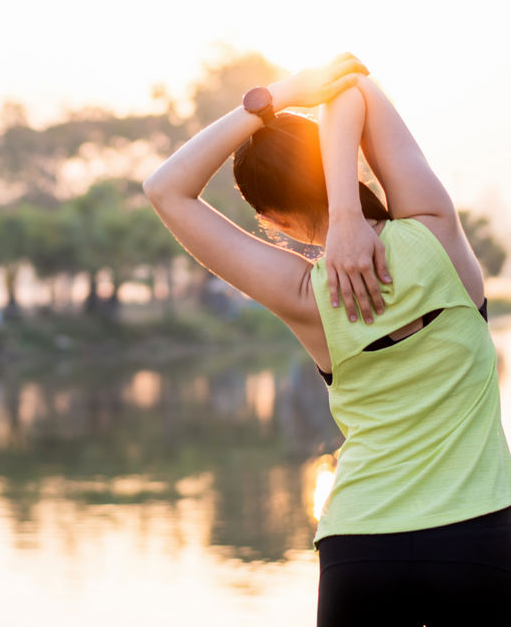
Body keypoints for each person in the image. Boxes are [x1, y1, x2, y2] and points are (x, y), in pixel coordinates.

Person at [143, 53, 511, 627]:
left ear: (274, 221)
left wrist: (276, 95)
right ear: (344, 172)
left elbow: (166, 189)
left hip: (361, 547)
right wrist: (347, 210)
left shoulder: (302, 294)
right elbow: (353, 83)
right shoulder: (435, 232)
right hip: (480, 538)